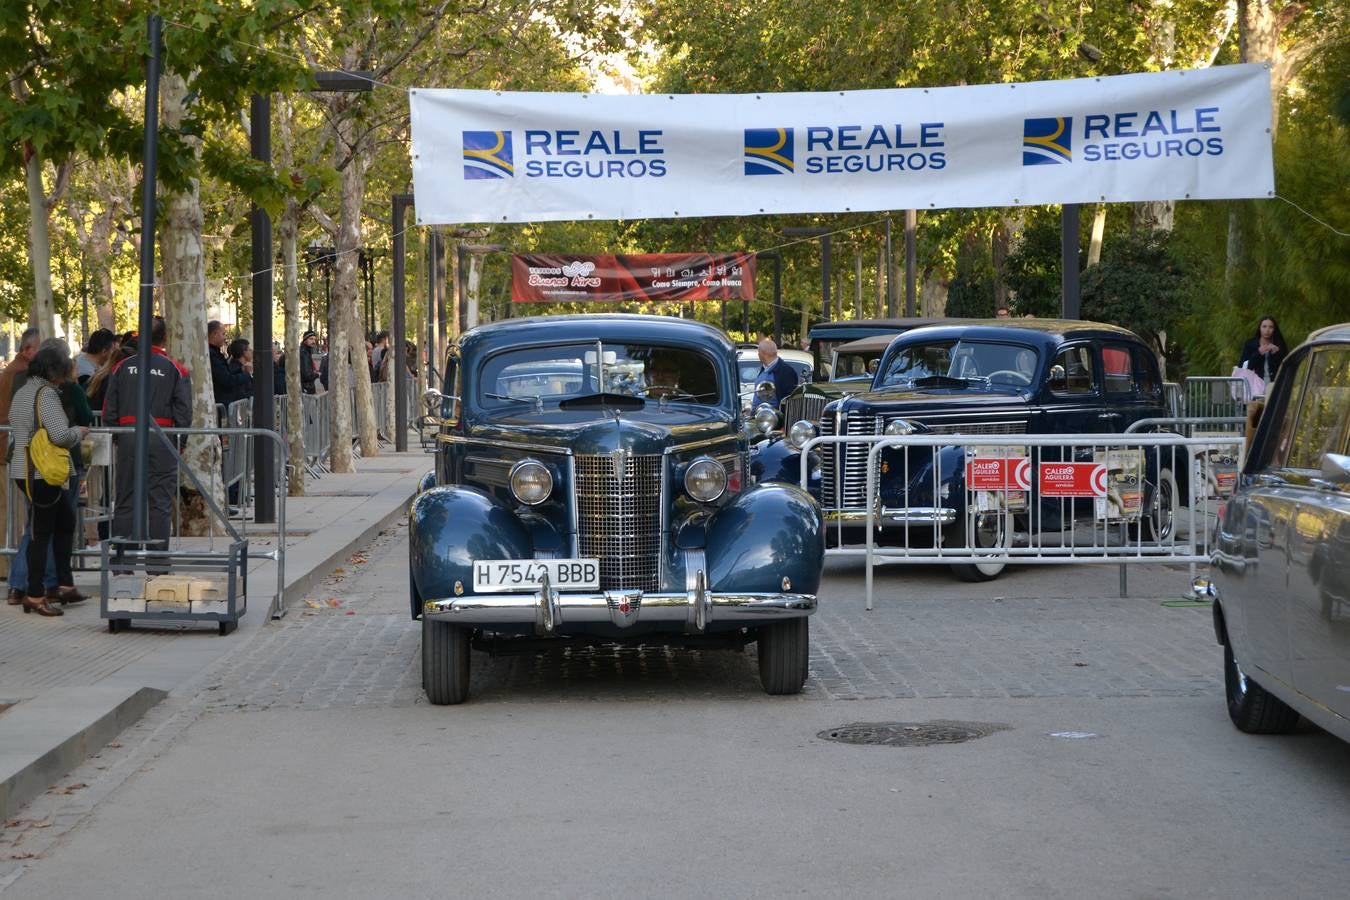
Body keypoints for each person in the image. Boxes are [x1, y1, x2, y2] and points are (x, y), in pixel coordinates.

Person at [8, 342, 87, 616]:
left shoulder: (22, 392)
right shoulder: (47, 395)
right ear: (56, 371)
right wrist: (79, 432)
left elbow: (16, 424)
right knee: (41, 533)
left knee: (64, 521)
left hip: (23, 469)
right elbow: (60, 435)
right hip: (42, 472)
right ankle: (35, 594)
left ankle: (63, 584)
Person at [102, 316, 192, 556]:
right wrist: (179, 443)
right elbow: (183, 411)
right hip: (163, 439)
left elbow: (109, 410)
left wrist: (119, 437)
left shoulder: (121, 367)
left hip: (129, 438)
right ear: (165, 338)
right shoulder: (175, 369)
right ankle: (157, 562)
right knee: (160, 502)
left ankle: (124, 562)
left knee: (125, 499)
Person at [208, 320, 249, 411]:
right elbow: (226, 380)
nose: (225, 338)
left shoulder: (215, 353)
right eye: (223, 334)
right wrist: (246, 375)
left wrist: (241, 371)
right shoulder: (212, 355)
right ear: (215, 334)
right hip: (222, 404)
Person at [1238, 316, 1287, 386]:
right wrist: (1259, 352)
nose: (1267, 330)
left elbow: (1285, 367)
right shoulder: (1251, 344)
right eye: (1264, 326)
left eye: (1271, 327)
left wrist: (1277, 353)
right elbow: (1244, 367)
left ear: (1274, 329)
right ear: (1259, 328)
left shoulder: (1279, 344)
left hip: (1275, 386)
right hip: (1255, 387)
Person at [754, 338, 799, 409]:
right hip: (760, 416)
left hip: (772, 417)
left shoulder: (786, 371)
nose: (758, 355)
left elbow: (789, 400)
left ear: (762, 354)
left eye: (759, 352)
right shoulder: (764, 368)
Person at [227, 338, 254, 403]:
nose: (252, 351)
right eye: (249, 349)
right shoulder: (235, 369)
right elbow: (242, 393)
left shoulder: (243, 368)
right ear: (244, 352)